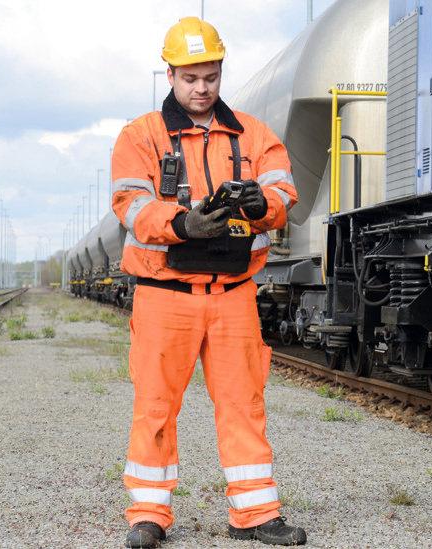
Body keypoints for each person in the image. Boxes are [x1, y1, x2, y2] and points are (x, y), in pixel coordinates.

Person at [110, 16, 305, 548]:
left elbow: (284, 192)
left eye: (212, 77)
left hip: (232, 295)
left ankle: (256, 514)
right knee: (154, 407)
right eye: (191, 78)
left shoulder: (252, 134)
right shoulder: (141, 136)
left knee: (244, 404)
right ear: (170, 74)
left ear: (221, 73)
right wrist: (180, 224)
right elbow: (130, 203)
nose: (202, 89)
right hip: (165, 295)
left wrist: (261, 204)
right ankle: (148, 516)